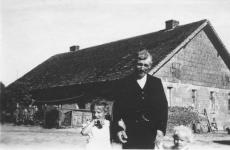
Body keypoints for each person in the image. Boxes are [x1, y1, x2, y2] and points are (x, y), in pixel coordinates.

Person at [112, 49, 168, 149]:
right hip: (129, 132)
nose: (142, 68)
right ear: (134, 64)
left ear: (150, 66)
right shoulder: (124, 83)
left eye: (146, 65)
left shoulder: (156, 83)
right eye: (139, 64)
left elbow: (163, 108)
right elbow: (116, 110)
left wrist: (160, 129)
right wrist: (118, 129)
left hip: (150, 132)